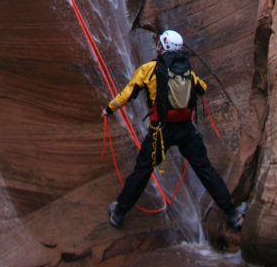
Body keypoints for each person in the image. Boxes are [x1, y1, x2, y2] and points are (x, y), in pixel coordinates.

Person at [102, 29, 247, 229]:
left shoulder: (149, 69)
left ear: (163, 46)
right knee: (205, 170)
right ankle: (233, 215)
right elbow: (202, 87)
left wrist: (109, 109)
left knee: (142, 171)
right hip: (186, 131)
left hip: (160, 131)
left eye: (160, 43)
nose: (158, 46)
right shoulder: (186, 69)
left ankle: (118, 213)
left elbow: (128, 94)